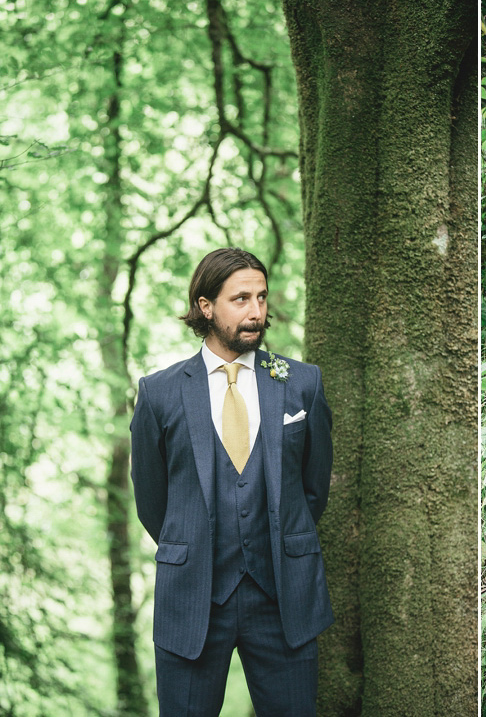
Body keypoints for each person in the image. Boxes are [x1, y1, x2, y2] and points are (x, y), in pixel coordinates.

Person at [130, 247, 333, 716]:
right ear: (206, 307)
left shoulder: (303, 383)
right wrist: (193, 545)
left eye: (261, 298)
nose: (256, 312)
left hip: (284, 600)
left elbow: (313, 490)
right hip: (193, 603)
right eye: (241, 299)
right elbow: (152, 501)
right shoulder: (159, 393)